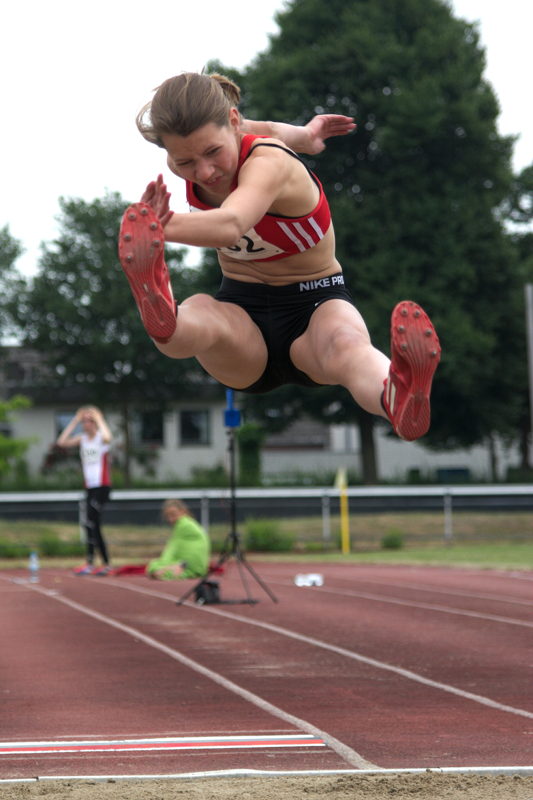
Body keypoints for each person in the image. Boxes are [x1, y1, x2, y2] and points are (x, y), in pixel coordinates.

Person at [119, 72, 441, 441]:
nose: (204, 172)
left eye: (212, 153)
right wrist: (306, 136)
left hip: (316, 304)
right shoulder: (213, 136)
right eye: (184, 163)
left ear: (235, 123)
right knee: (202, 314)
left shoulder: (269, 161)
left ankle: (397, 396)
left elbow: (231, 225)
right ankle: (161, 308)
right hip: (243, 309)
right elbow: (271, 126)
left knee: (347, 346)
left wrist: (159, 227)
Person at [56, 406, 113, 575]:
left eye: (88, 421)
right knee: (89, 524)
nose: (85, 424)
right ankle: (90, 562)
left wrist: (99, 417)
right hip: (89, 487)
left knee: (93, 523)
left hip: (102, 486)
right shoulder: (82, 439)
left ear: (95, 423)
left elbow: (108, 437)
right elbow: (61, 442)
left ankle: (106, 563)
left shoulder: (100, 439)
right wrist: (74, 420)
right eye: (84, 421)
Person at [146, 499, 210, 580]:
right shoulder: (189, 522)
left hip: (190, 565)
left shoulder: (183, 524)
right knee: (155, 566)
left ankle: (178, 568)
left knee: (154, 566)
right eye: (168, 516)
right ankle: (178, 567)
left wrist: (164, 565)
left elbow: (172, 549)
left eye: (173, 515)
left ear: (183, 511)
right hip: (199, 566)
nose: (171, 519)